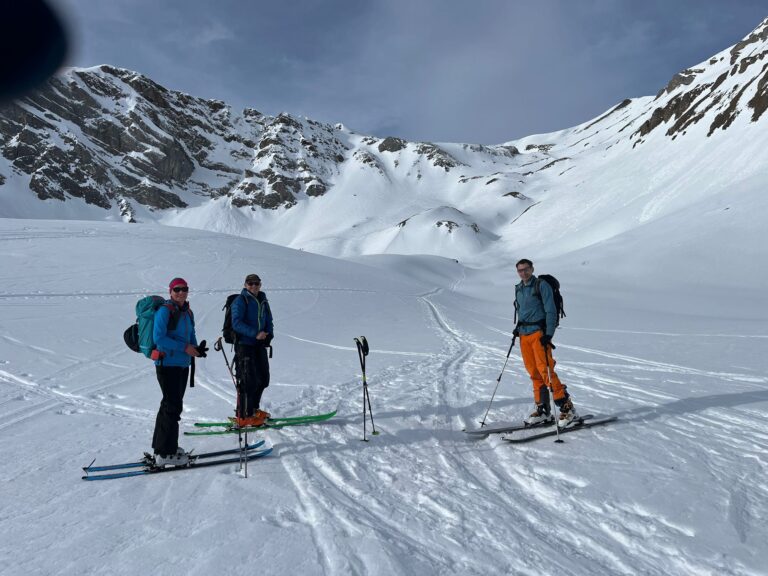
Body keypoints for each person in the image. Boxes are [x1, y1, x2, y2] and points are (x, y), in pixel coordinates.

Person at [514, 259, 579, 428]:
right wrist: (518, 327)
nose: (523, 273)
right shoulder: (519, 288)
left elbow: (550, 310)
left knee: (546, 370)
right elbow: (523, 310)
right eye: (520, 270)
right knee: (534, 372)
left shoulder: (541, 285)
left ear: (532, 269)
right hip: (524, 335)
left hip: (539, 334)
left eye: (526, 269)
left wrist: (548, 334)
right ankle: (543, 410)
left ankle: (567, 408)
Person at [151, 277, 202, 466]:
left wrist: (196, 348)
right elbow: (159, 338)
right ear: (170, 291)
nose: (181, 292)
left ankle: (164, 448)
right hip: (167, 365)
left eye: (184, 289)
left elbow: (191, 334)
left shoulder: (188, 311)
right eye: (177, 289)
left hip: (182, 364)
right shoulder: (165, 311)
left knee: (172, 406)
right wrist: (184, 348)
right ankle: (165, 453)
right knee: (171, 407)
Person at [231, 273, 274, 426]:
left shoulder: (263, 299)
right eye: (250, 283)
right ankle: (243, 415)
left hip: (259, 345)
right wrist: (255, 334)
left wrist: (269, 335)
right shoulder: (240, 301)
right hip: (244, 345)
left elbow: (269, 319)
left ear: (260, 285)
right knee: (248, 380)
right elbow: (236, 323)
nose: (253, 286)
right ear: (245, 285)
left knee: (263, 379)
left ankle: (253, 411)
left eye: (256, 283)